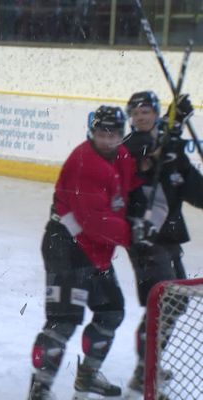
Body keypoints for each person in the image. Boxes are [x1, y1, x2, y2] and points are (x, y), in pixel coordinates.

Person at [28, 106, 142, 399]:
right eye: (102, 133)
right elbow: (95, 223)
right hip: (66, 247)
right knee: (64, 320)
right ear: (92, 132)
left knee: (111, 311)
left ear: (121, 134)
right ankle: (40, 388)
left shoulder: (121, 156)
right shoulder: (86, 163)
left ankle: (88, 376)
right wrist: (136, 234)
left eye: (114, 133)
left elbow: (133, 184)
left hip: (93, 252)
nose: (107, 139)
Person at [123, 91, 203, 395]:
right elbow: (146, 160)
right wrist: (174, 125)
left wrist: (173, 135)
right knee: (163, 303)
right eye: (136, 112)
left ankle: (147, 367)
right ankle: (146, 374)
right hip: (145, 239)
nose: (141, 117)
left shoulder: (171, 149)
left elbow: (194, 191)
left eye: (147, 111)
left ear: (155, 114)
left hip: (169, 239)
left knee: (175, 301)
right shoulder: (129, 148)